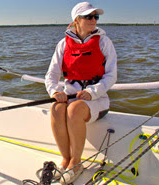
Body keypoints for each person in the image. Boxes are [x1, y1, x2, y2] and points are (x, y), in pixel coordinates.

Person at [45, 1, 117, 184]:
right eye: (89, 16)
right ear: (77, 20)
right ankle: (66, 159)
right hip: (71, 96)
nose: (94, 20)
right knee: (56, 109)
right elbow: (51, 75)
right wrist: (55, 91)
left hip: (98, 100)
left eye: (96, 16)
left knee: (73, 110)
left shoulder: (104, 42)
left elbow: (111, 76)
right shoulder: (63, 44)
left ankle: (77, 163)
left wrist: (93, 92)